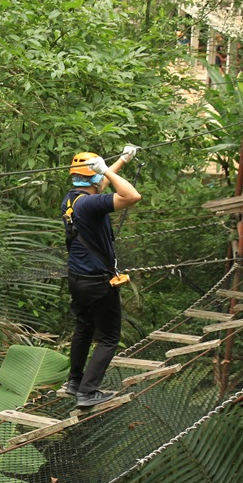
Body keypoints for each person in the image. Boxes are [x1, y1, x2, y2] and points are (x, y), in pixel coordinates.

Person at [57, 146, 142, 409]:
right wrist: (105, 169)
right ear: (93, 177)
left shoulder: (71, 200)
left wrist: (121, 162)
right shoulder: (92, 204)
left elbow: (101, 183)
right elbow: (131, 196)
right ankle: (88, 391)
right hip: (97, 281)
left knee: (84, 328)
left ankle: (75, 382)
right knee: (108, 337)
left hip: (77, 278)